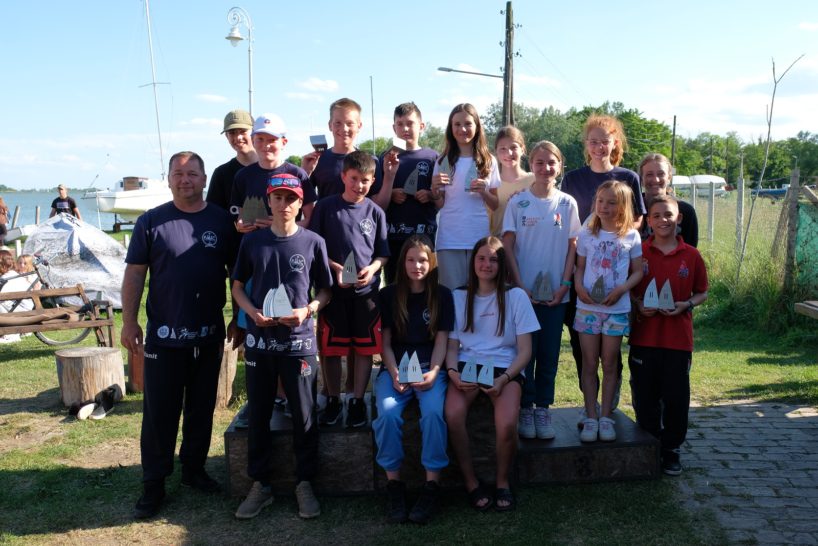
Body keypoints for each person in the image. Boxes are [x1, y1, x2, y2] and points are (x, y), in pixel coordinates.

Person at [121, 151, 240, 519]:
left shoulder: (221, 221)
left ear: (204, 179)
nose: (185, 179)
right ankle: (154, 483)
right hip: (164, 338)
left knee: (202, 408)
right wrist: (129, 322)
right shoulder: (151, 221)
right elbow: (135, 273)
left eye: (192, 173)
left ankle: (193, 469)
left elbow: (238, 275)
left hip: (208, 335)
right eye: (178, 173)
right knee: (160, 413)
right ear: (169, 179)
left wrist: (239, 318)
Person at [231, 173, 333, 520]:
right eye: (278, 198)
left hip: (298, 343)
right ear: (269, 200)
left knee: (304, 414)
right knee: (258, 413)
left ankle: (305, 483)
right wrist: (251, 313)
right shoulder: (252, 242)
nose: (284, 204)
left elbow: (325, 290)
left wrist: (309, 310)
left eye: (291, 199)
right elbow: (237, 287)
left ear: (300, 203)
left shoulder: (313, 242)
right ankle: (260, 484)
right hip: (260, 343)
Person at [444, 236, 539, 512]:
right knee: (453, 414)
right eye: (481, 258)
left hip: (504, 368)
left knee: (507, 423)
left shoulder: (516, 297)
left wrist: (504, 379)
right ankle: (471, 482)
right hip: (467, 365)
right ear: (473, 261)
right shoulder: (458, 296)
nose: (487, 264)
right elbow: (452, 346)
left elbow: (525, 351)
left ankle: (502, 482)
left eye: (494, 259)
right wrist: (452, 372)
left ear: (502, 264)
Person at [561, 114, 645, 417]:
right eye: (593, 141)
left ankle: (608, 408)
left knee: (611, 356)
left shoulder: (628, 177)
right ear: (586, 144)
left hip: (616, 281)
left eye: (604, 141)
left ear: (615, 143)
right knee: (584, 353)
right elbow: (569, 225)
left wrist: (615, 236)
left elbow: (636, 220)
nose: (598, 147)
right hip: (583, 273)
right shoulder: (572, 179)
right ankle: (590, 408)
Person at [502, 141, 581, 440]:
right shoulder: (518, 202)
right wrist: (519, 286)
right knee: (526, 353)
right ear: (531, 164)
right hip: (523, 295)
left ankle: (543, 409)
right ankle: (525, 407)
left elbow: (573, 246)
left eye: (551, 163)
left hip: (556, 296)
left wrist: (564, 285)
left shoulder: (567, 203)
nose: (545, 168)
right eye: (539, 162)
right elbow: (507, 246)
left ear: (560, 166)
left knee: (549, 354)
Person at [374, 235, 453, 524]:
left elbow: (442, 340)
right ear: (402, 262)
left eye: (422, 260)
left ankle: (432, 485)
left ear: (431, 263)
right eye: (410, 260)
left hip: (430, 369)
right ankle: (394, 484)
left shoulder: (442, 295)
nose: (416, 266)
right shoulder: (388, 296)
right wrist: (394, 372)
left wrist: (434, 371)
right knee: (387, 414)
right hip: (395, 370)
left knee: (432, 414)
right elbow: (385, 344)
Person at [308, 151, 389, 427]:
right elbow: (314, 247)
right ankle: (333, 398)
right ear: (343, 176)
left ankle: (356, 400)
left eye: (365, 180)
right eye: (354, 179)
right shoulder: (325, 207)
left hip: (366, 295)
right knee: (332, 350)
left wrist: (373, 269)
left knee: (364, 349)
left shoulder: (375, 212)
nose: (359, 185)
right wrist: (335, 269)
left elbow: (382, 254)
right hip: (333, 293)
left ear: (373, 180)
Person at [630, 194, 708, 475]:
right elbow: (628, 288)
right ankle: (649, 445)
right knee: (645, 395)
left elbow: (702, 292)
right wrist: (638, 304)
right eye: (657, 216)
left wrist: (686, 304)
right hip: (644, 338)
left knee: (676, 397)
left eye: (668, 215)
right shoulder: (638, 252)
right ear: (648, 221)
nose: (663, 220)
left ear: (679, 218)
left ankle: (672, 449)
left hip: (678, 341)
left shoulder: (692, 255)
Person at [574, 181, 643, 443]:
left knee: (610, 362)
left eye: (611, 202)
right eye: (600, 201)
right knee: (589, 363)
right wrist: (579, 287)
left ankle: (606, 417)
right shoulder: (587, 233)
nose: (604, 207)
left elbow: (638, 272)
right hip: (587, 309)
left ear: (622, 207)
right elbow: (580, 267)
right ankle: (591, 416)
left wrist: (622, 289)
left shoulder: (631, 236)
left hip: (616, 310)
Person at [431, 103, 500, 290]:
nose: (462, 129)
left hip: (479, 238)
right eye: (457, 124)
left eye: (468, 124)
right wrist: (435, 190)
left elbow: (495, 205)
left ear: (477, 126)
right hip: (449, 239)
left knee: (478, 294)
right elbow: (440, 203)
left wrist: (484, 191)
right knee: (452, 295)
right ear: (450, 128)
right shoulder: (443, 161)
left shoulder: (488, 161)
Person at [371, 102, 441, 284]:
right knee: (395, 287)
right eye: (400, 124)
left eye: (410, 123)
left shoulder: (433, 158)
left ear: (421, 126)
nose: (405, 129)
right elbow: (375, 201)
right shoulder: (385, 158)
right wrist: (391, 193)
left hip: (424, 237)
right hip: (393, 237)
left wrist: (430, 195)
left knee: (425, 288)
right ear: (394, 128)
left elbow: (442, 198)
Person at [230, 113, 317, 231]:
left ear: (284, 142)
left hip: (288, 241)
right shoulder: (242, 176)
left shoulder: (298, 174)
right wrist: (240, 224)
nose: (266, 145)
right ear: (253, 140)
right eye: (260, 139)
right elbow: (240, 216)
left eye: (272, 140)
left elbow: (311, 219)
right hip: (254, 241)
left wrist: (281, 226)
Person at [302, 98, 379, 200]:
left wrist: (389, 177)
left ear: (359, 126)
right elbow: (303, 199)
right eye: (338, 123)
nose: (344, 129)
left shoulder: (371, 161)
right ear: (330, 125)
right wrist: (304, 173)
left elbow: (378, 203)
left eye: (350, 123)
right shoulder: (317, 160)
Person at [638, 153, 699, 247]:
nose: (656, 179)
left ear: (669, 177)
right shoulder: (632, 209)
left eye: (661, 174)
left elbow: (690, 250)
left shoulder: (685, 211)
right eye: (649, 174)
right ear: (641, 179)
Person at [205, 109, 258, 211]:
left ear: (254, 132)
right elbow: (213, 214)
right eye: (232, 133)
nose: (238, 137)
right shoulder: (221, 173)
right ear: (226, 136)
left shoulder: (271, 169)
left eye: (243, 131)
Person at [490, 126, 533, 237]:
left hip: (528, 242)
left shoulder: (534, 180)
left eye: (513, 147)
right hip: (498, 243)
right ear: (496, 151)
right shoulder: (490, 183)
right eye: (502, 148)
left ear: (522, 149)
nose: (508, 153)